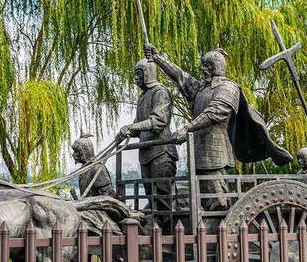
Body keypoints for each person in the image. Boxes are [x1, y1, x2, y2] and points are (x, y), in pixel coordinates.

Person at [146, 43, 291, 212]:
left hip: (217, 157)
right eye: (203, 65)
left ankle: (223, 234)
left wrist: (186, 128)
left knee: (218, 202)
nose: (203, 69)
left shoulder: (229, 88)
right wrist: (157, 58)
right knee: (204, 202)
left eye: (207, 65)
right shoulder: (202, 89)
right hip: (199, 155)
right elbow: (181, 76)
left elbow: (214, 112)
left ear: (217, 66)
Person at [117, 58, 176, 217]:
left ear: (147, 74)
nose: (135, 79)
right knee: (151, 195)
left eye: (138, 74)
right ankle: (156, 228)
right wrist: (127, 132)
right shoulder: (143, 97)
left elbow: (158, 120)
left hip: (161, 153)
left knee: (163, 197)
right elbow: (139, 124)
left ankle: (167, 232)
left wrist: (132, 127)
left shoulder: (160, 92)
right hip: (146, 153)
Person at [72, 134, 115, 199]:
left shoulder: (97, 169)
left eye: (76, 152)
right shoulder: (85, 170)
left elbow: (110, 196)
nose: (73, 155)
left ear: (84, 152)